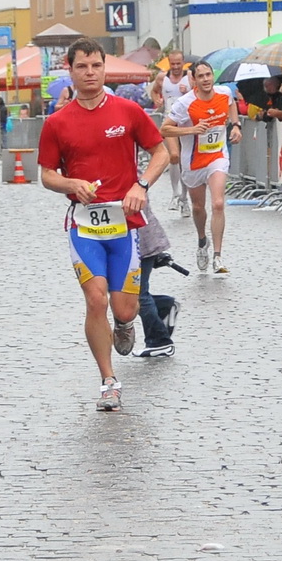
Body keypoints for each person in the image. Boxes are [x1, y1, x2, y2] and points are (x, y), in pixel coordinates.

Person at [37, 38, 169, 411]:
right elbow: (46, 174)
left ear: (104, 68)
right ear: (71, 70)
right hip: (83, 226)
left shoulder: (127, 111)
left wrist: (141, 185)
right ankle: (108, 380)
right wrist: (69, 184)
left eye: (96, 66)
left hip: (124, 224)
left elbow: (160, 151)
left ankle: (126, 325)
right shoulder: (57, 122)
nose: (90, 73)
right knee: (95, 298)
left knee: (124, 309)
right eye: (83, 67)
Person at [161, 60, 243, 275]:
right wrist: (192, 130)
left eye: (208, 75)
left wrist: (236, 125)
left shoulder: (224, 92)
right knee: (199, 208)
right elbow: (165, 129)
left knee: (217, 203)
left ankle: (218, 256)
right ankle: (201, 241)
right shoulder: (185, 103)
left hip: (217, 156)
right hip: (193, 162)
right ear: (194, 80)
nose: (206, 79)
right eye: (201, 76)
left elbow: (232, 103)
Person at [134, 206, 180, 358]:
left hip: (139, 238)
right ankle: (164, 305)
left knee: (137, 294)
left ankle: (159, 342)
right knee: (122, 292)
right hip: (126, 237)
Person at [152, 51, 192, 215]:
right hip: (170, 122)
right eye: (173, 64)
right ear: (169, 63)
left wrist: (188, 91)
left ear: (183, 63)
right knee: (174, 156)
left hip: (186, 122)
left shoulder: (189, 76)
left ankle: (184, 198)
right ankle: (175, 194)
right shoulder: (162, 78)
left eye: (178, 63)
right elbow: (154, 91)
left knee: (184, 160)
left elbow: (200, 93)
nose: (175, 67)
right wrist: (157, 100)